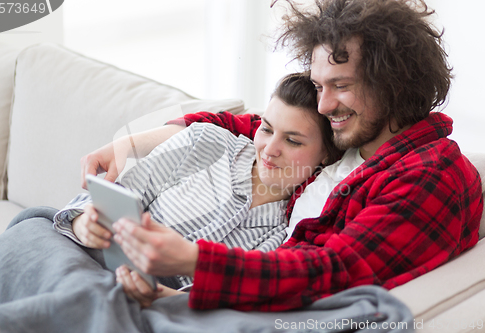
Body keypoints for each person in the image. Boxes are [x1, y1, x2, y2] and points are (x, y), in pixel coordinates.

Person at [82, 0, 483, 312]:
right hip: (238, 295)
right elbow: (258, 126)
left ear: (393, 85)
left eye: (340, 85)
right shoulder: (351, 141)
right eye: (318, 85)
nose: (324, 105)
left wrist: (194, 262)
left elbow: (334, 271)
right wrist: (132, 144)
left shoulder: (432, 175)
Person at [54, 72, 341, 304]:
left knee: (94, 301)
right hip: (92, 252)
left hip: (144, 299)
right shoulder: (206, 140)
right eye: (266, 129)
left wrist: (160, 298)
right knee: (33, 232)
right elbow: (110, 202)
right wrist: (83, 223)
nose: (270, 149)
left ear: (326, 155)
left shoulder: (289, 230)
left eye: (292, 141)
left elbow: (227, 300)